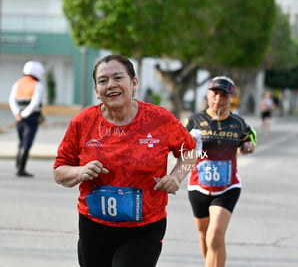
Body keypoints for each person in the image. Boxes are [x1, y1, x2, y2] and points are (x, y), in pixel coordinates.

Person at [53, 54, 198, 267]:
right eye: (103, 80)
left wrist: (176, 177)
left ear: (134, 82)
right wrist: (80, 172)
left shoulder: (160, 119)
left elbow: (190, 152)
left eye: (118, 77)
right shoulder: (82, 123)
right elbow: (59, 171)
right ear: (96, 90)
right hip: (94, 226)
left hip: (144, 228)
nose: (111, 85)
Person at [183, 76, 256, 267]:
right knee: (204, 236)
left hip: (227, 187)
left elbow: (250, 139)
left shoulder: (238, 123)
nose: (218, 99)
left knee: (215, 236)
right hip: (198, 186)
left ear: (231, 99)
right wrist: (187, 143)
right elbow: (178, 144)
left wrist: (249, 146)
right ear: (208, 95)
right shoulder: (194, 120)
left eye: (224, 95)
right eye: (215, 94)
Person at [9, 60, 44, 178]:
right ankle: (21, 169)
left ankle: (18, 166)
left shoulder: (17, 83)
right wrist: (25, 114)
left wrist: (17, 114)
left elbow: (11, 100)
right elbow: (35, 103)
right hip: (31, 118)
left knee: (21, 142)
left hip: (18, 118)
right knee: (27, 143)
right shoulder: (37, 84)